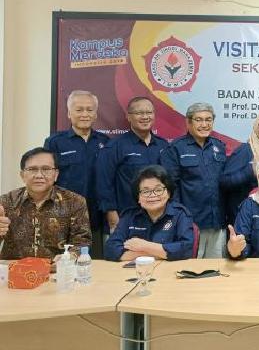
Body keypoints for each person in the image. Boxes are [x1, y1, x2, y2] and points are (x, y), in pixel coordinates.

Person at [44, 90, 109, 258]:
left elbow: (109, 179)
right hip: (63, 217)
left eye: (89, 110)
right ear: (69, 113)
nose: (85, 114)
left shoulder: (105, 141)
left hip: (96, 216)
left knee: (93, 262)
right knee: (64, 262)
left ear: (95, 114)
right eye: (79, 110)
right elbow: (47, 179)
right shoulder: (55, 142)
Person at [0, 147, 91, 260]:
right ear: (22, 175)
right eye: (32, 169)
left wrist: (70, 257)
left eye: (46, 169)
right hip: (14, 268)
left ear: (56, 174)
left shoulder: (75, 202)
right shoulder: (5, 202)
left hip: (57, 268)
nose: (39, 175)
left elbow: (82, 241)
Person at [160, 102, 226, 257]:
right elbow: (170, 188)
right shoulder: (176, 148)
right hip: (190, 224)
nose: (204, 124)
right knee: (190, 266)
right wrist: (179, 220)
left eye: (208, 120)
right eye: (199, 120)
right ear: (188, 122)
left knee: (215, 267)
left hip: (217, 222)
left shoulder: (219, 147)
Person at [97, 96, 169, 234]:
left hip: (159, 218)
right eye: (139, 113)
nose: (145, 117)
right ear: (128, 116)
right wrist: (111, 214)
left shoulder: (164, 146)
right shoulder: (115, 147)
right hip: (126, 219)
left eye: (149, 112)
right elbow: (104, 184)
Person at [104, 165, 194, 261]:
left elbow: (186, 250)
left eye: (158, 190)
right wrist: (158, 253)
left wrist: (145, 246)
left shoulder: (180, 214)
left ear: (168, 193)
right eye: (146, 191)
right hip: (136, 269)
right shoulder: (129, 216)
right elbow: (110, 250)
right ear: (138, 197)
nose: (152, 195)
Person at [221, 112, 259, 226]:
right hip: (246, 218)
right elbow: (225, 182)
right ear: (255, 128)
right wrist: (250, 171)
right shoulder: (245, 150)